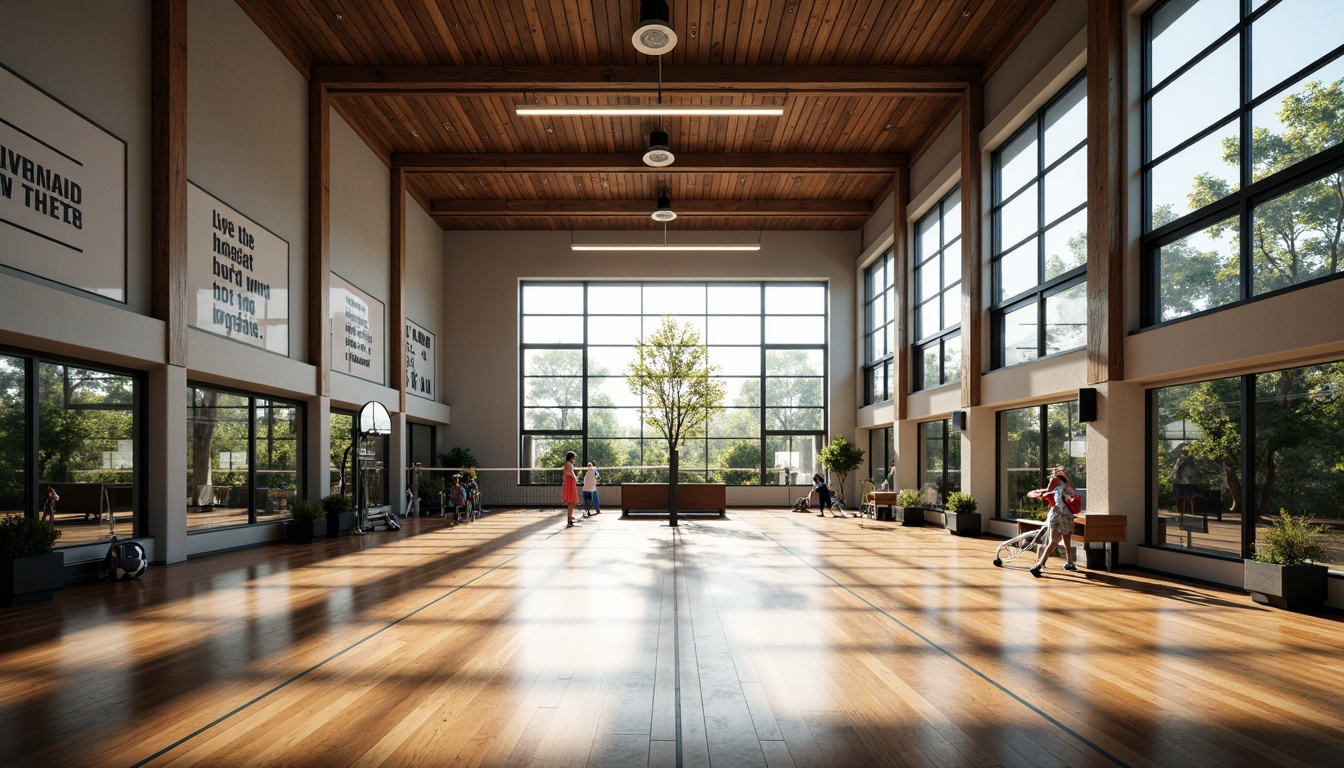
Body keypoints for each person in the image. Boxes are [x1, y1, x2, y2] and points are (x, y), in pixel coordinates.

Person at [1029, 466, 1079, 576]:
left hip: (1058, 513)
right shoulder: (1067, 482)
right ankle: (1069, 562)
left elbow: (1048, 490)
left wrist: (1037, 491)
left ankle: (1039, 564)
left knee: (1054, 540)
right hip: (1067, 513)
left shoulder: (1056, 479)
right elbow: (1073, 492)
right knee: (1065, 538)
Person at [1170, 446, 1199, 516]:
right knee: (1179, 497)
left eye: (1185, 453)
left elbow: (1193, 471)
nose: (1184, 454)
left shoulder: (1191, 461)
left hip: (1188, 482)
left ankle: (1191, 512)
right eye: (1183, 453)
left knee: (1190, 497)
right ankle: (1180, 512)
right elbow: (1175, 470)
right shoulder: (1179, 460)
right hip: (1180, 482)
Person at [561, 451, 580, 527]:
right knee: (571, 501)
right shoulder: (568, 464)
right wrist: (576, 478)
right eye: (574, 457)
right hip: (570, 484)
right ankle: (569, 518)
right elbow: (570, 473)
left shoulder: (568, 464)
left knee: (572, 501)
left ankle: (570, 517)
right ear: (571, 457)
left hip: (571, 483)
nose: (574, 458)